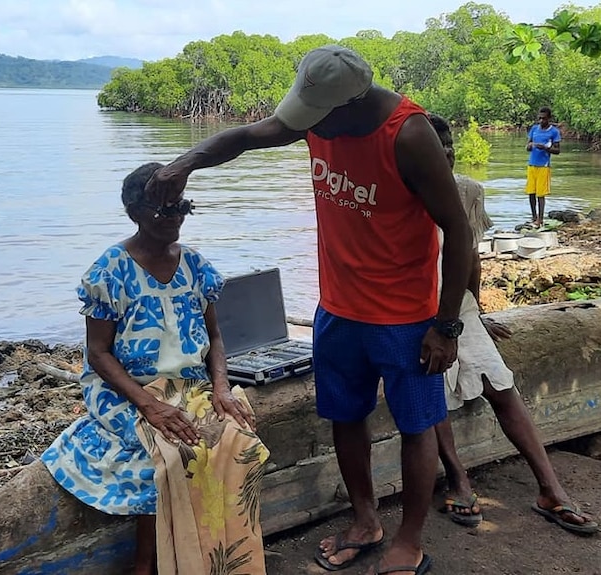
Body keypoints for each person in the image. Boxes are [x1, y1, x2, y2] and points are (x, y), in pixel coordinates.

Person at [147, 45, 474, 575]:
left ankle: (408, 540)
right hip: (337, 311)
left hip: (405, 317)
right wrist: (185, 163)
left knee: (419, 426)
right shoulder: (319, 119)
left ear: (353, 101)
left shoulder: (408, 134)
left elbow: (458, 231)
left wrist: (446, 325)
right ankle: (365, 520)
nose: (307, 122)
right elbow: (246, 137)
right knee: (345, 418)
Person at [41, 162, 270, 575]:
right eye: (163, 211)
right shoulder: (109, 271)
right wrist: (149, 405)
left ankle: (221, 556)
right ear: (134, 213)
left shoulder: (196, 266)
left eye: (180, 207)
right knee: (163, 455)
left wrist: (220, 387)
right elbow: (98, 354)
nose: (175, 218)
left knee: (239, 442)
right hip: (127, 386)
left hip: (190, 383)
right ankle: (146, 565)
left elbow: (215, 338)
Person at [429, 114, 598, 535]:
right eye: (437, 148)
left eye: (449, 146)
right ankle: (458, 477)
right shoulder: (401, 197)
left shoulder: (468, 190)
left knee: (501, 387)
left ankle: (550, 487)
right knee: (433, 388)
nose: (446, 154)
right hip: (414, 311)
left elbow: (469, 255)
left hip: (458, 307)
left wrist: (477, 311)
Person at [525, 106, 561, 227]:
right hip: (531, 165)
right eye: (539, 118)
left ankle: (540, 220)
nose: (541, 121)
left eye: (544, 119)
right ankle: (534, 217)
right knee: (531, 193)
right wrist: (530, 146)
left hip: (543, 166)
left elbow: (557, 150)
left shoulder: (554, 132)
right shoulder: (534, 129)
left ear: (549, 118)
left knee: (541, 194)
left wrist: (545, 148)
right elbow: (527, 145)